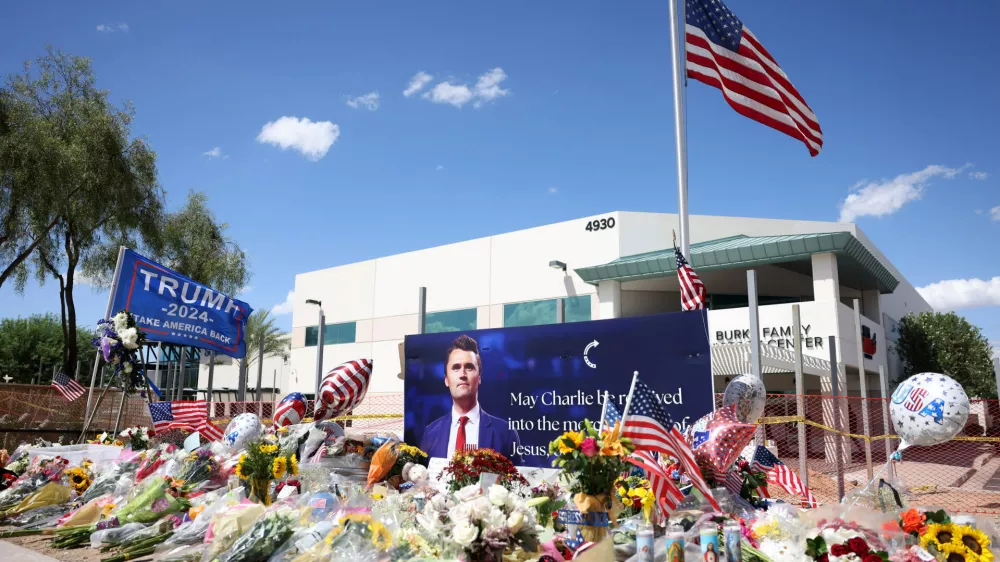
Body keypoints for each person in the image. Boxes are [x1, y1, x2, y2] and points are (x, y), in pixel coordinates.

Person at [419, 334, 523, 464]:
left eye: (469, 367)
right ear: (446, 379)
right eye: (456, 368)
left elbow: (517, 482)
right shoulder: (430, 433)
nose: (462, 374)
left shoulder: (505, 434)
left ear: (479, 377)